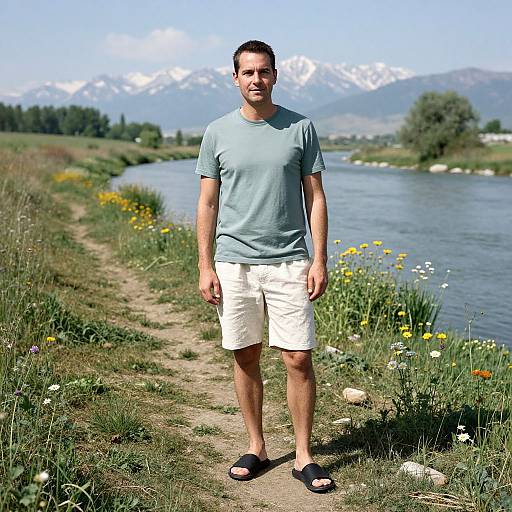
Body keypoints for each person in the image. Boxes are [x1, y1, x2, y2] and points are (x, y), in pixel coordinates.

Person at [195, 40, 334, 493]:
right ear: (234, 78)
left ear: (276, 76)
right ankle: (257, 446)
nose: (257, 80)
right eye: (248, 73)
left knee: (297, 357)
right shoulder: (217, 132)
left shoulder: (300, 128)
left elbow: (315, 197)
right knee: (246, 354)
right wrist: (204, 265)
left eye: (265, 72)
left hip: (291, 260)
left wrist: (319, 258)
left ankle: (304, 456)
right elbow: (208, 203)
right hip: (233, 263)